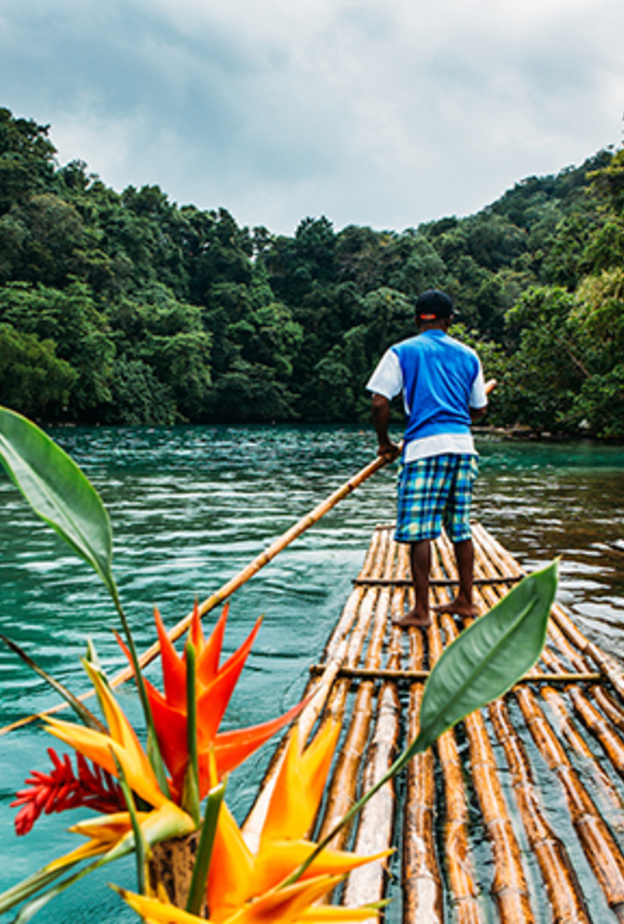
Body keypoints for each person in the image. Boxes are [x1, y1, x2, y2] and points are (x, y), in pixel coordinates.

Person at [366, 288, 496, 628]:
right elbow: (479, 408)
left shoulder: (402, 351)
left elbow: (380, 402)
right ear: (449, 321)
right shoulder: (469, 355)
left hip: (424, 449)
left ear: (416, 320)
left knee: (420, 531)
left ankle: (422, 610)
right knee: (460, 528)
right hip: (463, 449)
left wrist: (385, 443)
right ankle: (466, 599)